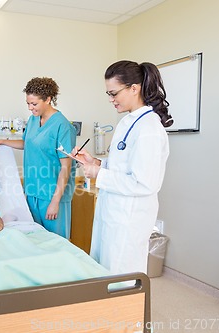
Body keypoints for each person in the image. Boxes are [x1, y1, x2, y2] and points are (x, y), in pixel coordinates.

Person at [71, 60, 172, 275]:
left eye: (114, 93)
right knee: (104, 270)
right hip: (114, 212)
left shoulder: (149, 128)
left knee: (121, 276)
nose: (110, 100)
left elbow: (144, 183)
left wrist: (99, 173)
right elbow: (123, 166)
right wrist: (96, 163)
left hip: (129, 218)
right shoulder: (128, 122)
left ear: (134, 88)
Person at [0, 77, 76, 239]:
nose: (30, 108)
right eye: (28, 103)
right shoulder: (33, 119)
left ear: (48, 99)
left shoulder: (63, 126)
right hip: (32, 191)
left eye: (34, 104)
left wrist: (55, 202)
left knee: (55, 243)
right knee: (35, 241)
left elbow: (66, 167)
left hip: (52, 195)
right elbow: (27, 143)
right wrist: (3, 142)